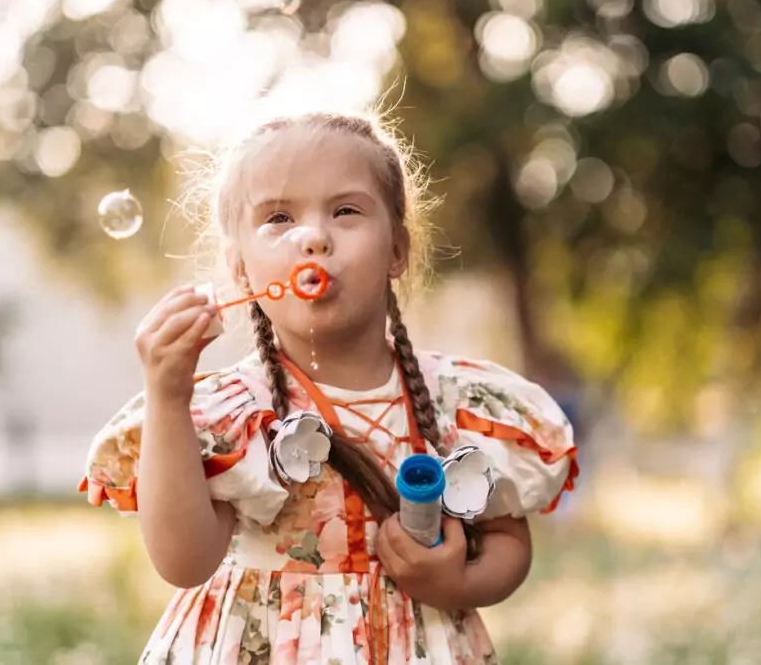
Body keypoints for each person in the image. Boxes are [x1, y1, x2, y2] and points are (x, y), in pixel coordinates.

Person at [79, 110, 578, 664]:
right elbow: (183, 561)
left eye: (345, 211)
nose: (313, 237)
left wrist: (457, 584)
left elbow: (510, 543)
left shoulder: (459, 401)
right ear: (240, 269)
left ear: (397, 250)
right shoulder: (227, 414)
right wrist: (166, 396)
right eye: (278, 218)